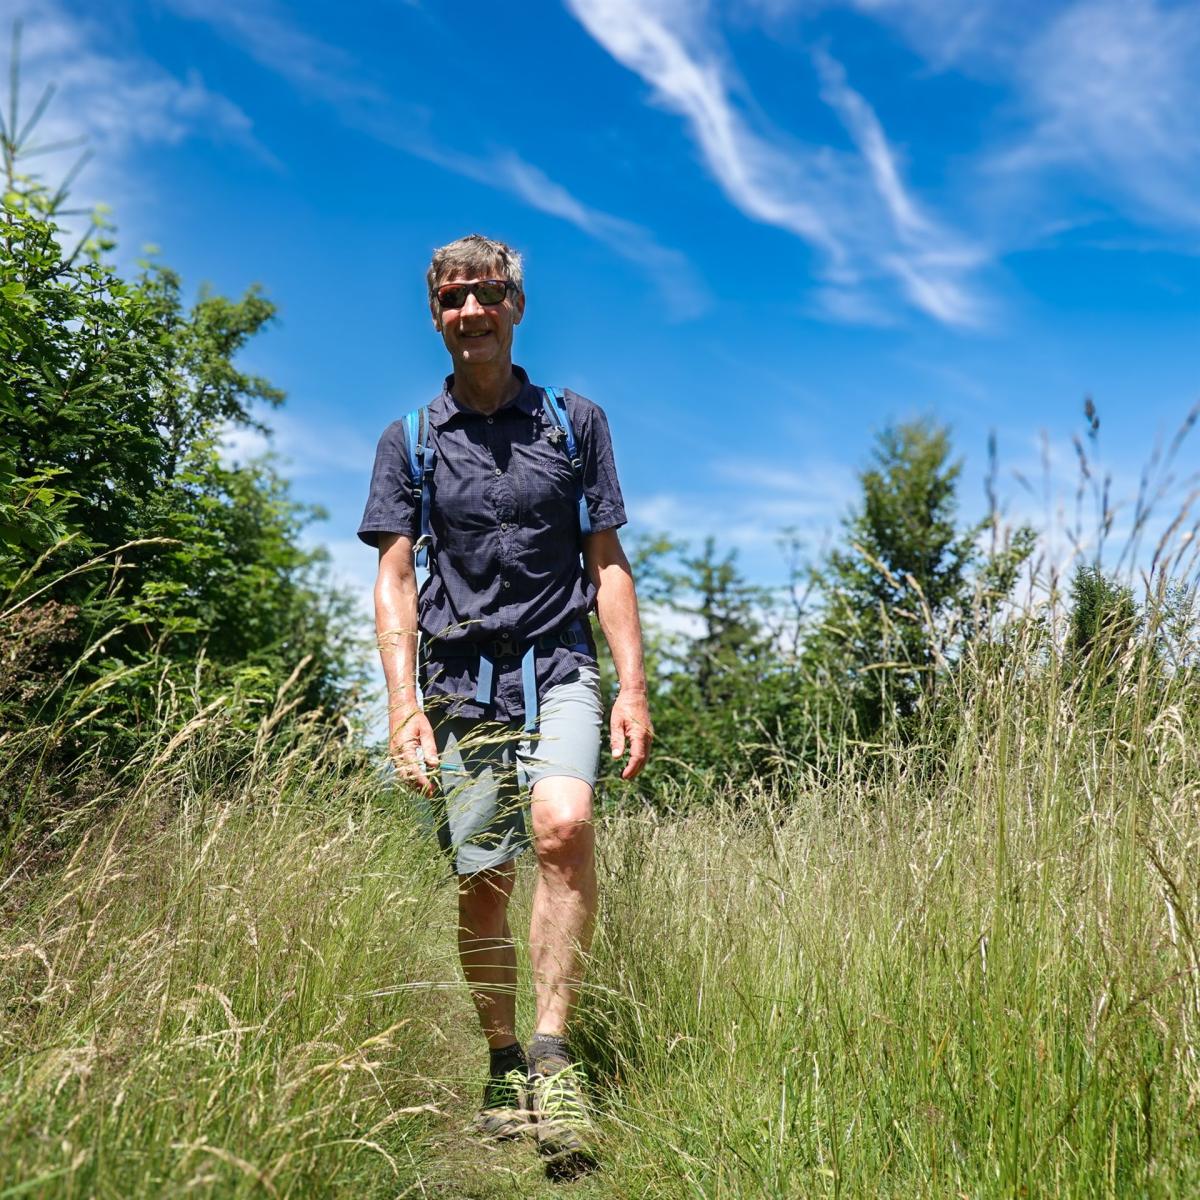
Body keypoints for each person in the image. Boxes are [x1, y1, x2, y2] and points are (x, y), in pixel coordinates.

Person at [358, 234, 652, 1168]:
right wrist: (403, 705)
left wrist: (632, 687)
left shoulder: (574, 422)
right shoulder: (410, 441)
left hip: (558, 663)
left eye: (486, 293)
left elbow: (607, 562)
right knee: (483, 877)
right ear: (435, 314)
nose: (471, 312)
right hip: (458, 681)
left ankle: (555, 1057)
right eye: (452, 299)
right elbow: (395, 581)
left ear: (516, 305)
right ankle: (502, 1062)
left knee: (564, 827)